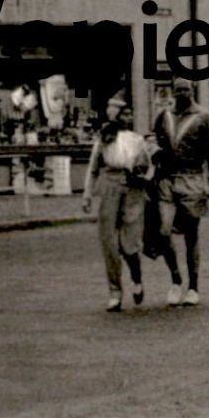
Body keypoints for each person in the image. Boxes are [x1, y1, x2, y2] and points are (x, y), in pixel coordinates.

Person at [81, 97, 150, 311]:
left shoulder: (137, 140)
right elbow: (93, 168)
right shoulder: (104, 138)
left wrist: (143, 177)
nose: (128, 118)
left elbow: (148, 167)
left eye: (130, 114)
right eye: (124, 114)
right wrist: (87, 195)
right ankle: (115, 290)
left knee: (129, 242)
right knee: (109, 242)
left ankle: (137, 280)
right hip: (109, 187)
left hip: (132, 189)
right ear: (115, 115)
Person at [152, 77, 209, 306]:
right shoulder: (164, 115)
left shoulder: (203, 117)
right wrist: (154, 153)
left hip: (192, 178)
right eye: (178, 90)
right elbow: (154, 139)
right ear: (173, 91)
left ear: (193, 90)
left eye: (186, 89)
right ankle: (176, 279)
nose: (182, 93)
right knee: (164, 229)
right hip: (167, 179)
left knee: (191, 234)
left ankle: (193, 286)